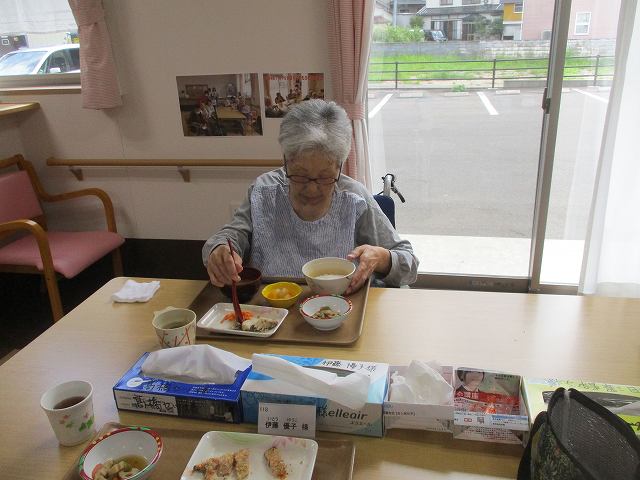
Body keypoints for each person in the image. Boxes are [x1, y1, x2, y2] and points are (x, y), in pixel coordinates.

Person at [203, 100, 418, 294]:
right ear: (286, 160)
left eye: (325, 177)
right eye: (300, 175)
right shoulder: (263, 191)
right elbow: (233, 235)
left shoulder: (355, 199)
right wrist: (220, 250)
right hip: (268, 311)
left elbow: (409, 263)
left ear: (339, 166)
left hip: (340, 311)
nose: (312, 190)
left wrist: (382, 258)